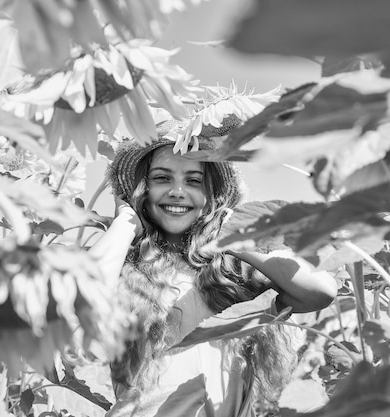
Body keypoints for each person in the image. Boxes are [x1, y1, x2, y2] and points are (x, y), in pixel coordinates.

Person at [90, 136, 337, 417]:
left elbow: (320, 289)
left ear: (212, 194)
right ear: (141, 191)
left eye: (194, 181)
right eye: (161, 178)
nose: (178, 191)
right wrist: (125, 223)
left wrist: (230, 234)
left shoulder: (239, 273)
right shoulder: (126, 269)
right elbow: (78, 298)